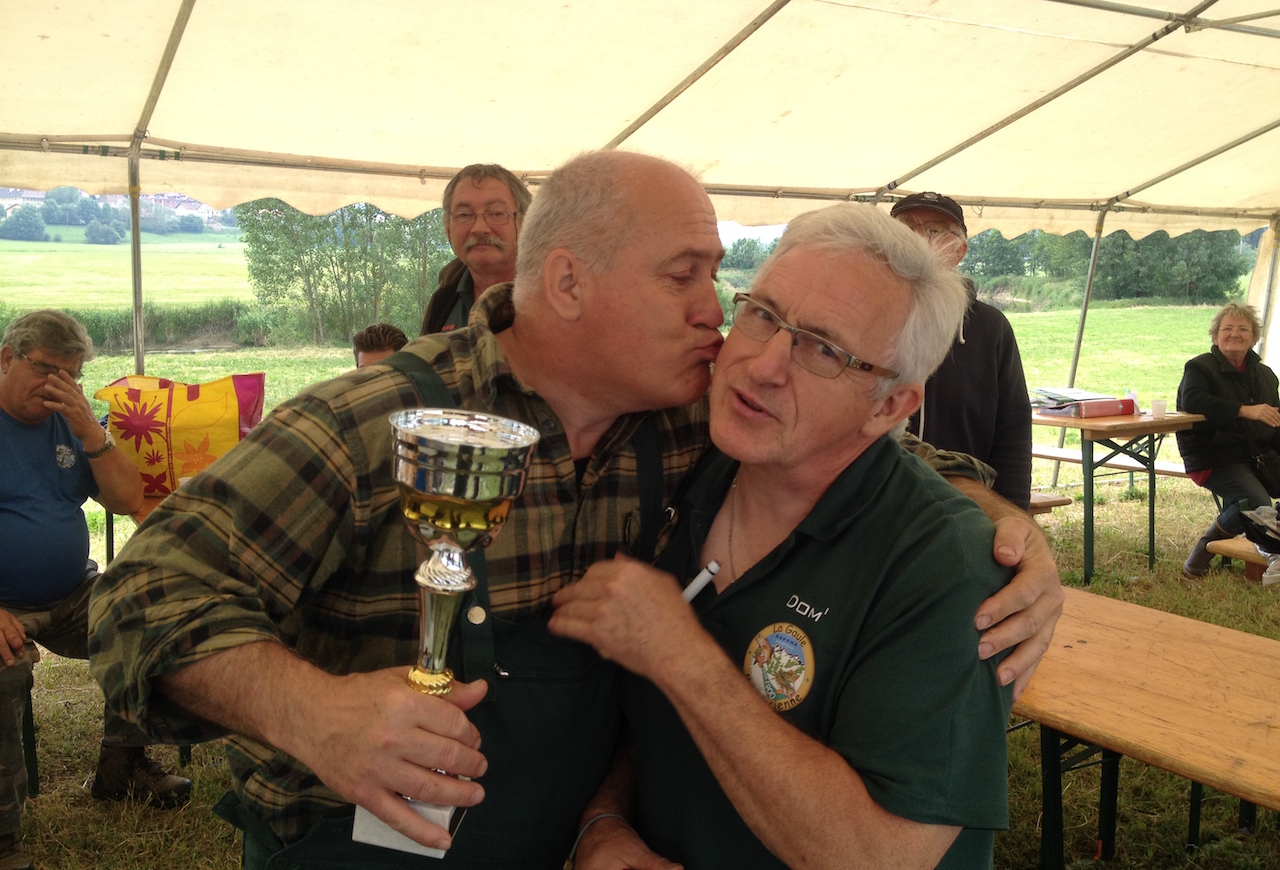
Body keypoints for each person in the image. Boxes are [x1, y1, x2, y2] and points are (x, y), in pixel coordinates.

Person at [88, 151, 1060, 870]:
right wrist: (314, 714)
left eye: (722, 281)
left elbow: (870, 447)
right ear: (566, 282)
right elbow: (141, 595)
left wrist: (1002, 534)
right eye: (684, 276)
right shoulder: (375, 423)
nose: (717, 316)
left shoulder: (689, 423)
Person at [551, 203, 1015, 869]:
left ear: (889, 405)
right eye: (763, 314)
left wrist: (680, 655)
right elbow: (653, 724)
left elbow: (879, 855)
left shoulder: (942, 562)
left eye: (823, 349)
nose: (763, 364)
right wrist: (604, 819)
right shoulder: (693, 477)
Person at [0, 310, 192, 870]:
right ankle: (3, 837)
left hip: (70, 593)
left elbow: (128, 498)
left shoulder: (70, 422)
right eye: (45, 369)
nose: (57, 385)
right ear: (6, 358)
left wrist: (91, 432)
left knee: (145, 616)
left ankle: (121, 769)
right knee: (3, 669)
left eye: (71, 374)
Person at [891, 191, 1032, 509]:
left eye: (935, 230)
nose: (918, 238)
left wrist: (1012, 512)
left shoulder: (990, 327)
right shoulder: (864, 316)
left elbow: (1013, 430)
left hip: (966, 510)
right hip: (876, 508)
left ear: (960, 250)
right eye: (905, 227)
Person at [1176, 303, 1280, 582]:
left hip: (1256, 455)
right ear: (1215, 336)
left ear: (1254, 337)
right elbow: (1193, 400)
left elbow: (1275, 423)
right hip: (1212, 455)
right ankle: (1201, 556)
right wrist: (1244, 410)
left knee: (1256, 506)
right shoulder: (1199, 367)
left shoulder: (1266, 376)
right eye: (1228, 328)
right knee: (1256, 503)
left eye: (1243, 329)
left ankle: (1270, 548)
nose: (1235, 334)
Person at [419, 163, 532, 335]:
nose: (479, 228)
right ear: (447, 227)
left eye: (496, 213)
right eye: (464, 215)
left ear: (525, 222)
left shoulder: (556, 297)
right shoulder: (443, 302)